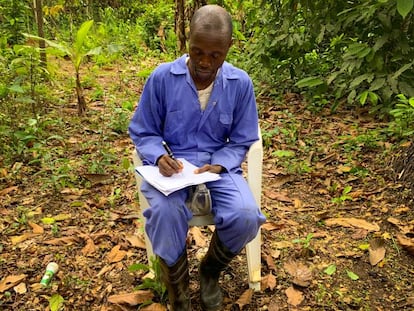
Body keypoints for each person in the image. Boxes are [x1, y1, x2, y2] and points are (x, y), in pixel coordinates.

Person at [129, 4, 266, 311]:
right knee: (164, 214)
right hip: (172, 167)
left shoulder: (240, 83)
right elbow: (143, 130)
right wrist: (157, 155)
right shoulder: (162, 78)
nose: (204, 61)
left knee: (246, 216)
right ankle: (178, 293)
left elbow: (244, 138)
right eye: (197, 51)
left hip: (217, 167)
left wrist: (220, 162)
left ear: (229, 47)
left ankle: (209, 272)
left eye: (215, 55)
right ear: (187, 39)